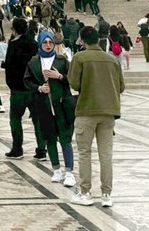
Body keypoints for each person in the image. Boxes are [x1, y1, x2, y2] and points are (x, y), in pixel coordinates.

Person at [68, 26, 124, 208]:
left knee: (85, 153)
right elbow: (121, 87)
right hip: (108, 112)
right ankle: (106, 194)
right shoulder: (112, 60)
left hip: (86, 110)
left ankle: (85, 192)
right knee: (106, 155)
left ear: (82, 41)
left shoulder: (80, 57)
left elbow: (74, 83)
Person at [26, 31, 76, 186]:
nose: (48, 46)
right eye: (45, 43)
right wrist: (39, 88)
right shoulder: (34, 62)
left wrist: (59, 77)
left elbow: (73, 80)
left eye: (50, 43)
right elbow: (27, 81)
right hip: (44, 107)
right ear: (40, 44)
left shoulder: (62, 61)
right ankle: (56, 170)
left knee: (65, 139)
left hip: (62, 106)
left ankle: (69, 172)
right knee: (50, 139)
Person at [4, 18, 42, 159]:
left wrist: (11, 84)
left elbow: (9, 66)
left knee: (15, 118)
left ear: (14, 29)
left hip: (18, 88)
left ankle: (17, 148)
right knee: (37, 120)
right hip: (33, 87)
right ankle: (41, 150)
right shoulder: (34, 43)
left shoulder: (13, 45)